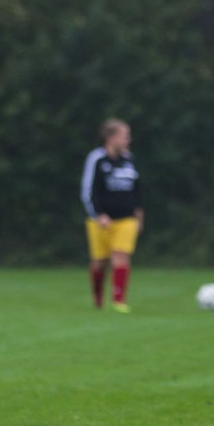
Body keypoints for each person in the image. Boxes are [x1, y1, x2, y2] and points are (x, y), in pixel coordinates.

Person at [80, 118, 143, 313]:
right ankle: (98, 297)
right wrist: (98, 214)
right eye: (125, 135)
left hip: (126, 219)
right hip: (101, 220)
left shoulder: (129, 160)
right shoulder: (96, 159)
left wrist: (139, 213)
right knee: (99, 262)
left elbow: (137, 190)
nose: (128, 139)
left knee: (121, 257)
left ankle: (118, 300)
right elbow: (87, 190)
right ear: (110, 137)